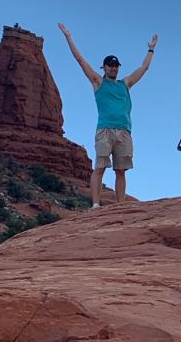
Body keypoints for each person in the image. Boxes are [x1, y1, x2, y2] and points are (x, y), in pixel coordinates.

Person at [58, 23, 157, 207]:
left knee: (121, 170)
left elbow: (144, 68)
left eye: (115, 66)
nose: (113, 68)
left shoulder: (125, 84)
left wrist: (151, 50)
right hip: (105, 129)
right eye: (110, 65)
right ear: (103, 67)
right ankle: (95, 204)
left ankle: (120, 205)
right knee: (100, 167)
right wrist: (68, 37)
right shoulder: (98, 82)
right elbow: (80, 60)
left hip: (124, 131)